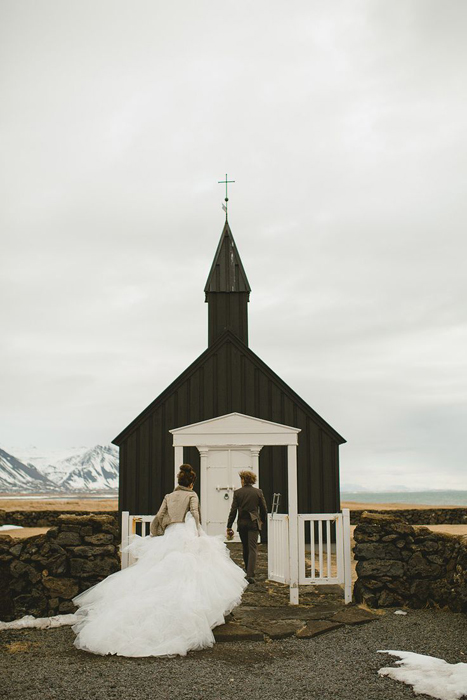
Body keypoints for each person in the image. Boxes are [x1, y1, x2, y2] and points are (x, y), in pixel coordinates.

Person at [71, 464, 247, 657]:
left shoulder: (169, 497)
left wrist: (157, 533)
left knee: (158, 571)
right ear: (191, 482)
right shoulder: (191, 495)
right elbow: (195, 513)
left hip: (171, 534)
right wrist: (197, 531)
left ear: (178, 481)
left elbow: (159, 516)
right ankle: (199, 616)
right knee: (195, 572)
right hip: (186, 534)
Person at [226, 470, 268, 584]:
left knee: (245, 546)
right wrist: (262, 520)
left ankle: (246, 569)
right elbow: (264, 509)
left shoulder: (238, 493)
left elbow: (233, 510)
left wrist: (229, 525)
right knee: (253, 548)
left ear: (244, 480)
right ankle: (250, 574)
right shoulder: (258, 492)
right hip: (254, 522)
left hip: (242, 523)